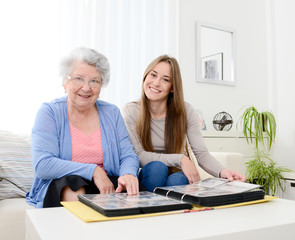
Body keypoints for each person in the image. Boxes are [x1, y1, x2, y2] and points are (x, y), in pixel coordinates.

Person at [26, 47, 140, 208]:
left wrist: (128, 174)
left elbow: (128, 155)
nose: (86, 88)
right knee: (73, 184)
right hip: (64, 185)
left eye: (94, 81)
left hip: (106, 183)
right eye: (78, 78)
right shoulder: (49, 112)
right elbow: (43, 165)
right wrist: (93, 171)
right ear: (64, 82)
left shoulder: (112, 112)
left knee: (134, 189)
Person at [123, 55, 246, 192]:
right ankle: (150, 211)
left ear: (172, 88)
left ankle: (172, 212)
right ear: (145, 77)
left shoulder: (185, 111)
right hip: (150, 174)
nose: (156, 83)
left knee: (178, 180)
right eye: (153, 75)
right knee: (157, 168)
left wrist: (223, 171)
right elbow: (139, 155)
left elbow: (201, 153)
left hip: (176, 173)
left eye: (165, 79)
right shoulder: (132, 110)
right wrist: (180, 159)